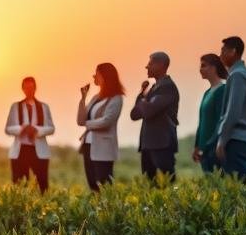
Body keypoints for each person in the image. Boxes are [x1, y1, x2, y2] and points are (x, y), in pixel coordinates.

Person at [130, 51, 180, 182]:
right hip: (148, 144)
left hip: (162, 144)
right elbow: (134, 115)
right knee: (150, 186)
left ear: (161, 65)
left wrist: (144, 101)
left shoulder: (167, 87)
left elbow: (149, 111)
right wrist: (142, 95)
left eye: (150, 63)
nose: (146, 66)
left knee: (167, 184)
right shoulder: (152, 89)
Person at [77, 62, 125, 191]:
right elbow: (80, 120)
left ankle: (107, 210)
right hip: (88, 145)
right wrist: (83, 98)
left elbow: (107, 121)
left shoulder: (116, 98)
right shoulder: (95, 97)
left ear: (104, 76)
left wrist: (88, 124)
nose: (93, 77)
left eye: (96, 74)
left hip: (104, 148)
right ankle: (95, 209)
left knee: (104, 185)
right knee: (92, 184)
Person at [215, 36, 246, 180]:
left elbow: (233, 112)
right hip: (239, 138)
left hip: (236, 138)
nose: (220, 55)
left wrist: (222, 140)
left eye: (223, 51)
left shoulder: (238, 75)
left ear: (233, 52)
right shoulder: (241, 74)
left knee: (236, 189)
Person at [4, 76, 55, 192]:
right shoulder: (15, 106)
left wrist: (36, 130)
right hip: (20, 150)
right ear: (22, 89)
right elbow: (8, 129)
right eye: (26, 88)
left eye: (31, 88)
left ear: (35, 88)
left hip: (39, 150)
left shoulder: (44, 107)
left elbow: (51, 128)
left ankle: (43, 207)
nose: (29, 90)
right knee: (19, 185)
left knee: (43, 184)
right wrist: (22, 128)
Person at [192, 54, 227, 173]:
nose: (200, 69)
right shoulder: (207, 93)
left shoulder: (222, 90)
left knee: (217, 185)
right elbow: (201, 121)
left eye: (204, 66)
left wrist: (211, 144)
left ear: (214, 68)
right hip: (203, 149)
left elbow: (221, 120)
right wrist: (197, 146)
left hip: (214, 148)